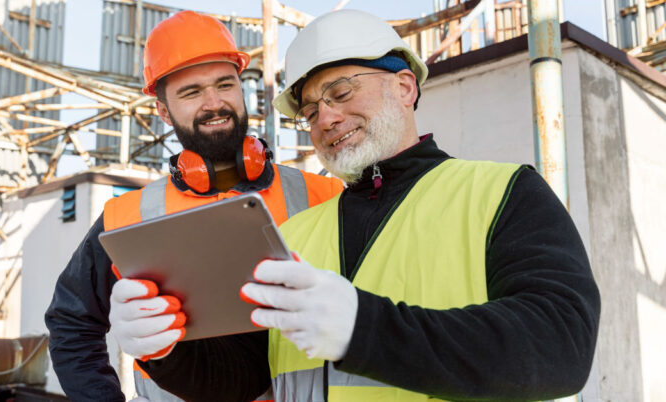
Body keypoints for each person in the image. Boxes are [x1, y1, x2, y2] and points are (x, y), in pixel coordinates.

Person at [135, 9, 602, 402]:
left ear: (403, 87)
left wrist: (365, 329)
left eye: (341, 92)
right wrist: (164, 349)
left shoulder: (502, 193)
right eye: (311, 111)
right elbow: (241, 377)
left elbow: (561, 344)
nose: (327, 118)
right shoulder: (296, 233)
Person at [44, 11, 343, 402]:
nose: (214, 103)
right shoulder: (127, 216)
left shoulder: (326, 195)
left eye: (225, 84)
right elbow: (71, 323)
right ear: (163, 111)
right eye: (191, 92)